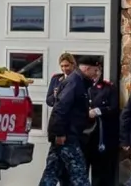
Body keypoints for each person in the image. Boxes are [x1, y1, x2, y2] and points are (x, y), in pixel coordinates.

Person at [43, 55, 101, 186]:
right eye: (95, 70)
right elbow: (61, 108)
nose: (96, 73)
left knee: (52, 172)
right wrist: (59, 133)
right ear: (86, 68)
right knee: (79, 173)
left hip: (66, 134)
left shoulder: (79, 82)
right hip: (67, 135)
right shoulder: (75, 82)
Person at [38, 52, 77, 186]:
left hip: (71, 128)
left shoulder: (77, 80)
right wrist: (56, 97)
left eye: (67, 65)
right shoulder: (57, 79)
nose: (64, 69)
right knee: (54, 166)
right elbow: (49, 100)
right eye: (62, 66)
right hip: (58, 126)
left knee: (72, 169)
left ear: (73, 64)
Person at [84, 66, 118, 186]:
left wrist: (98, 111)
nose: (94, 74)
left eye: (96, 71)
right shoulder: (80, 86)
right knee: (80, 172)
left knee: (100, 173)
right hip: (83, 136)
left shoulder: (108, 88)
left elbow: (114, 108)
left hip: (100, 136)